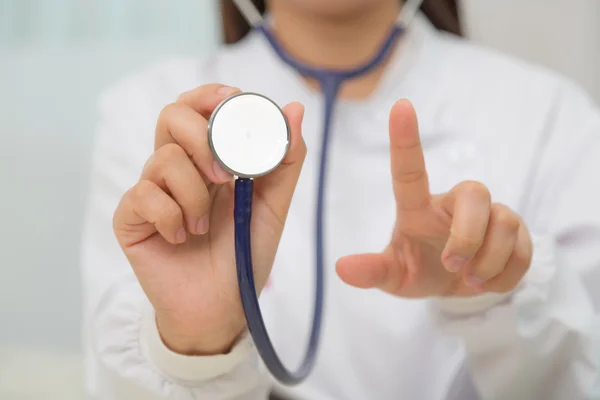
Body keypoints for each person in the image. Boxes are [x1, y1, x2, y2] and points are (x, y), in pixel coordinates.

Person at [80, 0, 600, 399]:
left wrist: (492, 292)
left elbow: (583, 377)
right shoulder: (147, 111)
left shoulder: (549, 114)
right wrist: (195, 343)